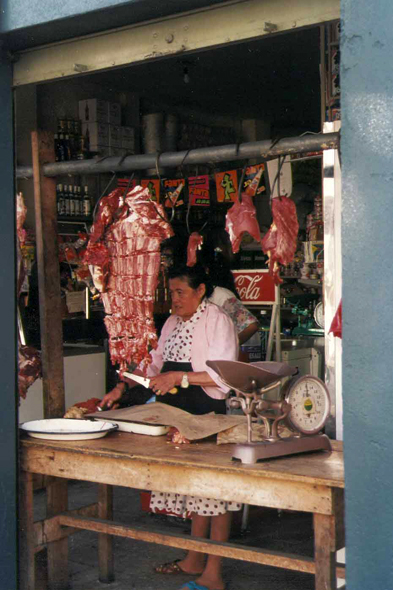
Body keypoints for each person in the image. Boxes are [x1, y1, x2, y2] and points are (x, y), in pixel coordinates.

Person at [100, 264, 240, 590]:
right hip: (176, 416)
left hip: (207, 414)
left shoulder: (216, 320)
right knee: (195, 491)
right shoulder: (171, 322)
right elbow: (154, 364)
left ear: (201, 290)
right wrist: (122, 387)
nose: (174, 299)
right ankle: (193, 558)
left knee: (214, 494)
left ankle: (213, 574)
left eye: (181, 292)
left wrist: (179, 377)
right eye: (172, 292)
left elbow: (224, 377)